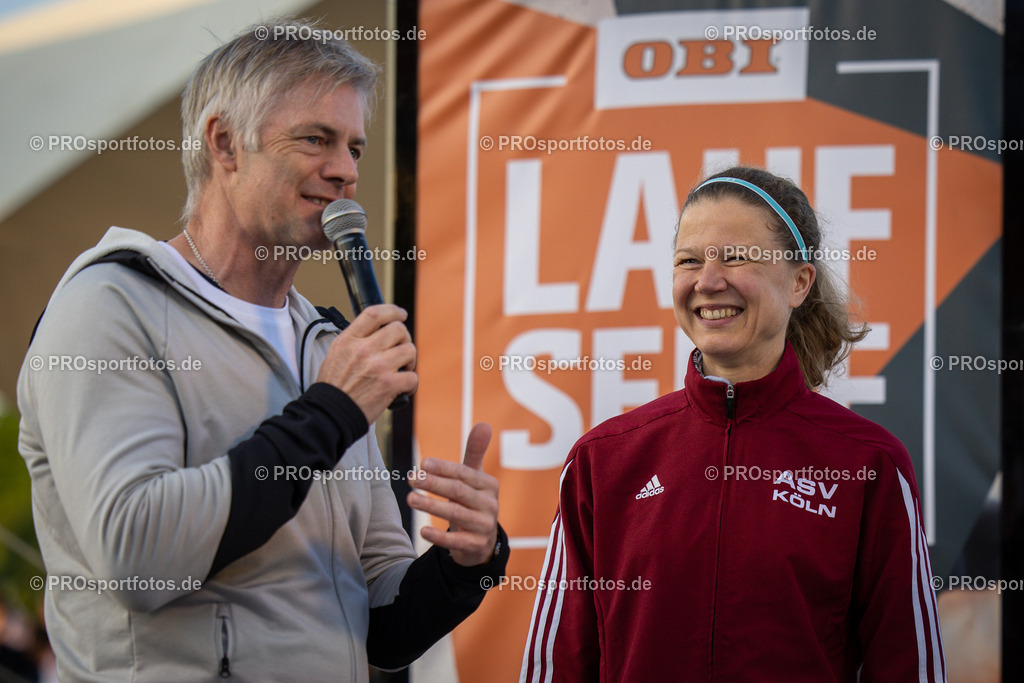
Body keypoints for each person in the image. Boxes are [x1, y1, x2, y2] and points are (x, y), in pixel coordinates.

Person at [18, 18, 507, 682]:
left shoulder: (327, 344)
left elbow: (381, 627)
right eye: (316, 139)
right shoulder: (110, 304)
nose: (344, 171)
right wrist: (331, 412)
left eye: (356, 148)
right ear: (224, 142)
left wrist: (465, 564)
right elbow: (136, 552)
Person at [521, 166, 945, 681]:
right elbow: (557, 665)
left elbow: (909, 665)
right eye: (689, 260)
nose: (708, 281)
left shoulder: (869, 463)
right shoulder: (602, 459)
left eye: (737, 257)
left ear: (799, 282)